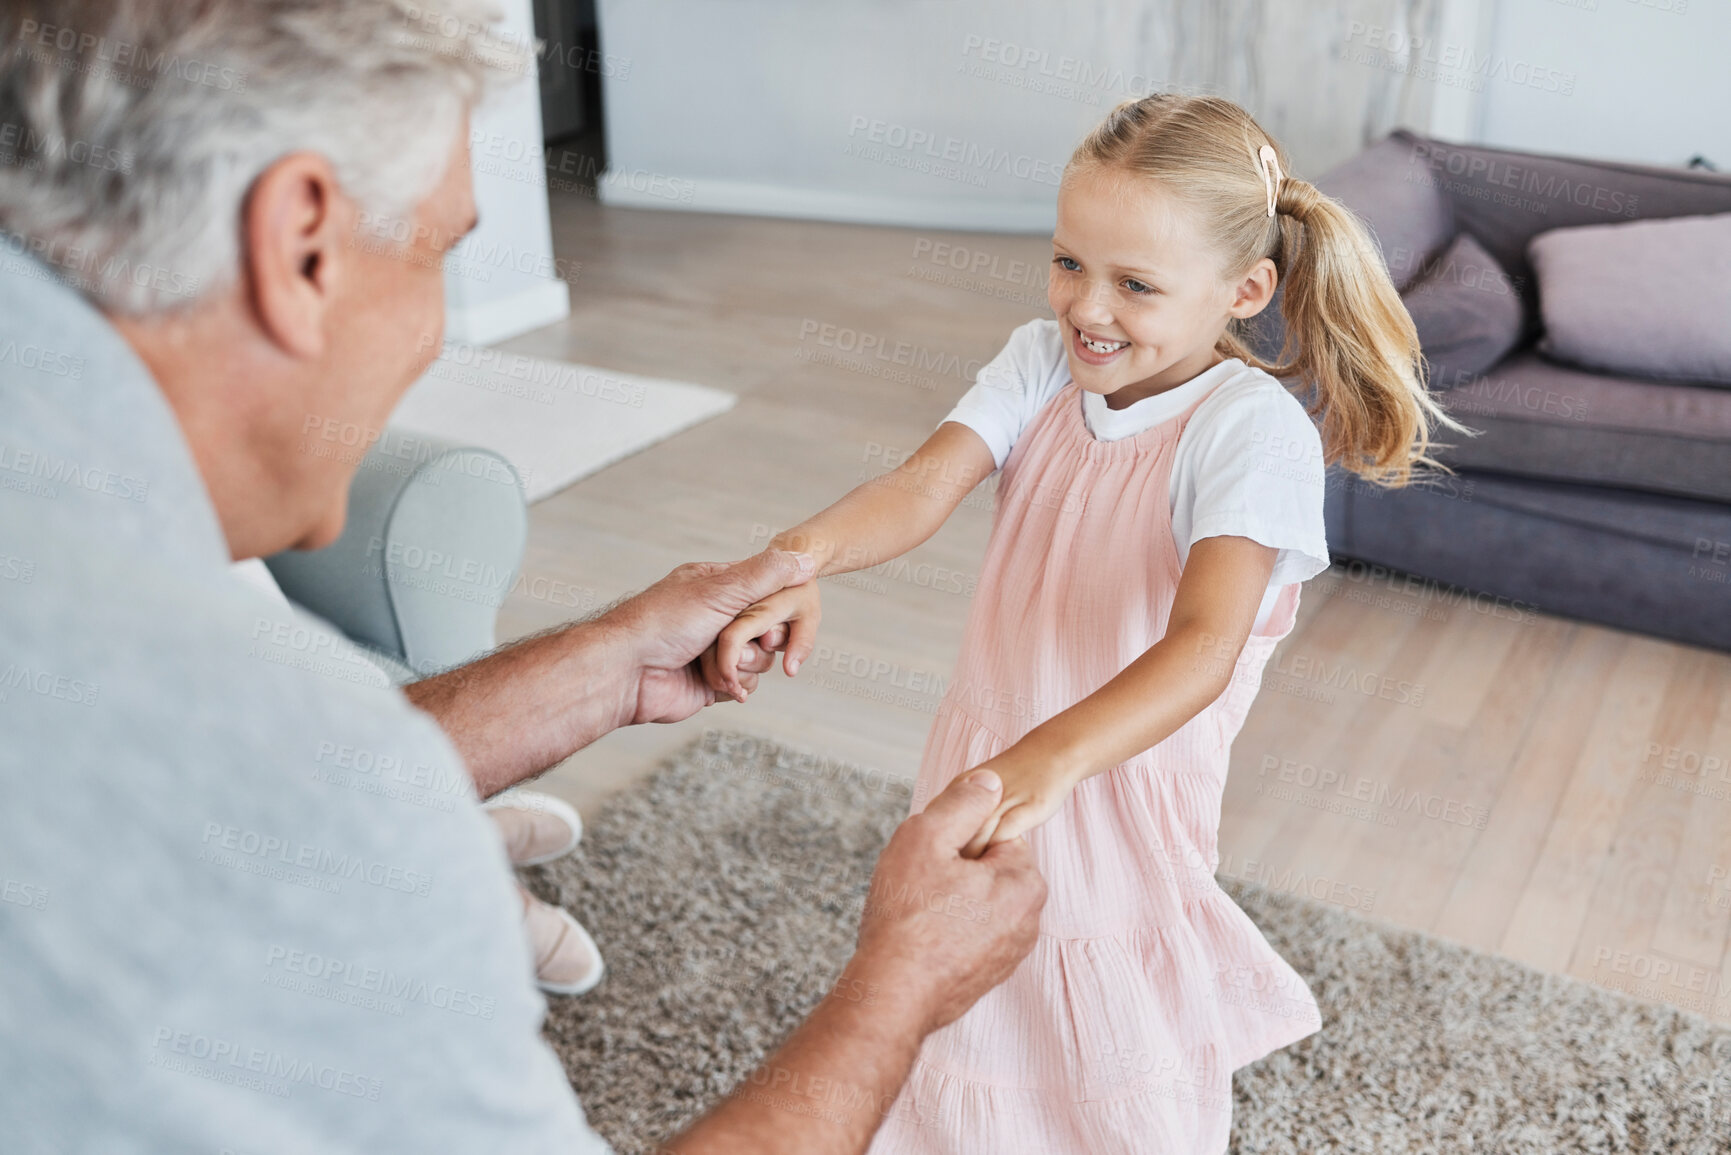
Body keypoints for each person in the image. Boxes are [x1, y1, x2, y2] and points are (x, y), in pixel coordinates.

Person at [0, 3, 1045, 1153]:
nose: (436, 334)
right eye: (440, 253)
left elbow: (200, 818)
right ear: (300, 242)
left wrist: (600, 667)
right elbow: (270, 800)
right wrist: (898, 990)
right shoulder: (285, 769)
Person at [704, 93, 1459, 1153]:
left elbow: (1203, 647)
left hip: (1107, 783)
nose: (1087, 310)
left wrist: (1044, 767)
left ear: (1245, 291)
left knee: (1111, 1040)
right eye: (1069, 264)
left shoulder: (1248, 434)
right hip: (985, 753)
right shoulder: (1041, 361)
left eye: (1135, 285)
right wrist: (798, 558)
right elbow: (924, 485)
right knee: (957, 1006)